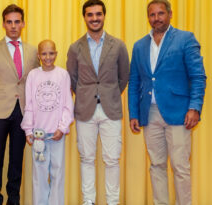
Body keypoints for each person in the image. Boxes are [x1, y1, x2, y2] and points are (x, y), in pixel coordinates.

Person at [128, 0, 206, 204]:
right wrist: (134, 113)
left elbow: (198, 76)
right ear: (148, 17)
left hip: (179, 113)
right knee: (156, 165)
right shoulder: (139, 45)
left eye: (161, 13)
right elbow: (135, 80)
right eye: (152, 15)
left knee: (180, 167)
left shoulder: (185, 39)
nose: (157, 18)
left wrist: (194, 107)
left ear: (170, 14)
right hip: (149, 113)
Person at [66, 0, 129, 204]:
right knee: (86, 159)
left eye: (98, 14)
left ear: (104, 15)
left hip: (111, 109)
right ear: (84, 17)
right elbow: (72, 78)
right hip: (85, 110)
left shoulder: (118, 45)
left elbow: (123, 77)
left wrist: (108, 93)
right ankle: (88, 201)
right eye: (90, 15)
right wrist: (86, 95)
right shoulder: (75, 48)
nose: (94, 18)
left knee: (112, 160)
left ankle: (112, 201)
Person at [0, 4, 40, 205]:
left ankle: (14, 200)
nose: (13, 26)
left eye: (17, 22)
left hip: (23, 113)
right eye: (9, 22)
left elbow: (37, 84)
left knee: (16, 160)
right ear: (4, 24)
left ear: (23, 23)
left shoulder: (33, 51)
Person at [21, 40, 74, 205]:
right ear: (38, 55)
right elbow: (29, 104)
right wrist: (28, 130)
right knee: (40, 174)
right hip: (39, 136)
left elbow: (67, 104)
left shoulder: (63, 75)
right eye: (44, 53)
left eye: (51, 53)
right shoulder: (33, 75)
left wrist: (63, 127)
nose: (48, 57)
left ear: (56, 54)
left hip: (57, 134)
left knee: (58, 173)